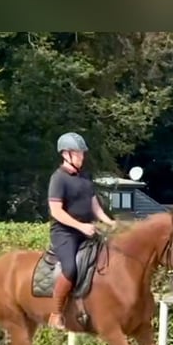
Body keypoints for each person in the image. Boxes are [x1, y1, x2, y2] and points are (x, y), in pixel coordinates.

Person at [46, 131, 116, 330]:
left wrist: (109, 222)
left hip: (87, 230)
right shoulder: (58, 179)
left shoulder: (85, 177)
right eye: (78, 153)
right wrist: (80, 226)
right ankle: (56, 313)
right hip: (64, 233)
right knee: (70, 268)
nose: (82, 157)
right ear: (66, 154)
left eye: (82, 153)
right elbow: (56, 211)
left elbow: (94, 206)